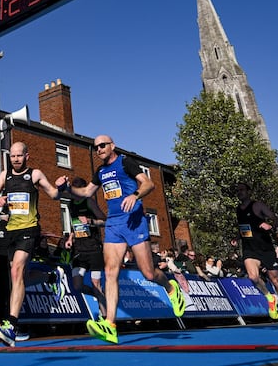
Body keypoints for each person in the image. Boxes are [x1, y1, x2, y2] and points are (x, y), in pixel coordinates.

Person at [59, 135, 185, 344]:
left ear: (112, 146)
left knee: (148, 273)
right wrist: (67, 188)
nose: (99, 149)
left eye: (102, 145)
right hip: (114, 225)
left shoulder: (125, 162)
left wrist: (135, 195)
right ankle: (110, 324)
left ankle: (171, 288)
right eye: (96, 147)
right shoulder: (100, 171)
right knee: (110, 272)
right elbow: (87, 192)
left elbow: (149, 184)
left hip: (134, 221)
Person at [0, 142, 64, 346]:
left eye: (19, 156)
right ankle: (50, 276)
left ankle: (11, 325)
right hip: (11, 231)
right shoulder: (5, 175)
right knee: (19, 276)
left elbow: (54, 194)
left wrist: (61, 186)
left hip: (29, 229)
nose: (15, 159)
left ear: (26, 156)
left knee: (17, 271)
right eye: (12, 156)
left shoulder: (36, 174)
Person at [234, 182, 278, 330]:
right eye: (237, 191)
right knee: (253, 277)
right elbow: (244, 227)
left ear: (248, 191)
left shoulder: (257, 205)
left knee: (276, 280)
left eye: (242, 190)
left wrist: (270, 225)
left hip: (266, 249)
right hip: (249, 249)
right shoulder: (237, 209)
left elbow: (276, 219)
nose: (240, 192)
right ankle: (269, 297)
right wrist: (236, 237)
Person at [61, 177, 108, 318]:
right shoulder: (70, 205)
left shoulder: (89, 202)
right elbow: (75, 225)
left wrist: (90, 221)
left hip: (93, 249)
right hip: (79, 250)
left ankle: (105, 317)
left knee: (96, 283)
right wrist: (70, 238)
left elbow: (104, 221)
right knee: (77, 285)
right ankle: (99, 295)